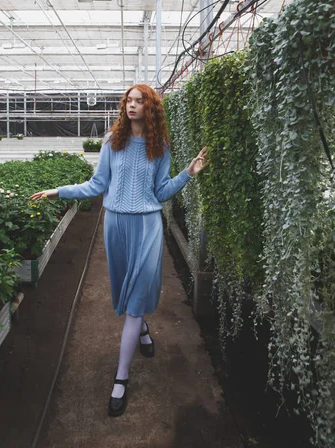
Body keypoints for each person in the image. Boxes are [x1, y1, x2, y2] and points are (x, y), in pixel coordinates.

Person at [29, 84, 209, 417]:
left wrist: (187, 174)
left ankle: (121, 378)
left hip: (147, 227)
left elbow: (161, 191)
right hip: (115, 226)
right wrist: (58, 191)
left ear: (150, 108)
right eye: (129, 100)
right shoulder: (112, 143)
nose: (132, 105)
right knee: (125, 293)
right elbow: (97, 185)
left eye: (140, 101)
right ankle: (141, 328)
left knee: (136, 298)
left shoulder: (161, 147)